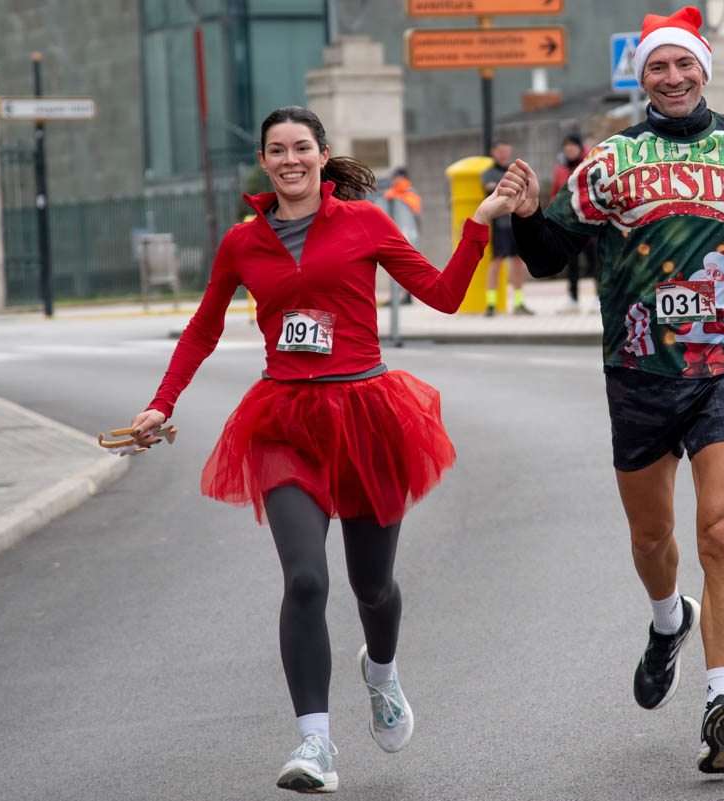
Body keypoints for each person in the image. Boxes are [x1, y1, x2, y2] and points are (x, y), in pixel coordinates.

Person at [499, 7, 724, 775]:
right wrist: (530, 217)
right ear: (643, 77)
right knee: (650, 537)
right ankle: (668, 619)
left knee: (722, 532)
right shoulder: (611, 161)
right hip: (638, 370)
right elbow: (551, 255)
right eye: (658, 67)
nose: (673, 78)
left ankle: (720, 700)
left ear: (704, 70)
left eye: (684, 64)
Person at [127, 106, 521, 794]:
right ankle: (315, 741)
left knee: (374, 586)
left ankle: (382, 672)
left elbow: (444, 295)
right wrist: (163, 403)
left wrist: (479, 223)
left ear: (321, 154)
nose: (290, 160)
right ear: (263, 161)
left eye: (301, 148)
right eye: (277, 150)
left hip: (366, 414)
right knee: (306, 580)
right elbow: (203, 329)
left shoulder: (365, 223)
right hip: (285, 421)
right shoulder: (242, 243)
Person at [481, 141, 533, 316]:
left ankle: (518, 302)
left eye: (506, 151)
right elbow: (490, 188)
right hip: (498, 224)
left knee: (518, 262)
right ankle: (490, 304)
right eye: (500, 151)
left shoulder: (515, 172)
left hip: (516, 222)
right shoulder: (488, 173)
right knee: (496, 262)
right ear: (493, 152)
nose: (504, 154)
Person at [550, 133, 598, 314]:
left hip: (588, 222)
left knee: (595, 262)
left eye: (573, 146)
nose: (569, 149)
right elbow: (555, 193)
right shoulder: (560, 168)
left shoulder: (590, 164)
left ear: (579, 147)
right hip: (568, 225)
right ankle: (572, 299)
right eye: (566, 146)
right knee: (572, 263)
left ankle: (598, 297)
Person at [383, 166, 422, 305]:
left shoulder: (409, 193)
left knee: (407, 266)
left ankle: (406, 295)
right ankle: (400, 296)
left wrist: (396, 198)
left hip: (408, 234)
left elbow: (414, 209)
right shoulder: (391, 193)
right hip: (396, 234)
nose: (393, 180)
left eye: (396, 177)